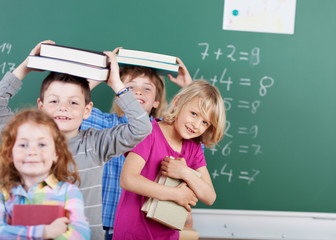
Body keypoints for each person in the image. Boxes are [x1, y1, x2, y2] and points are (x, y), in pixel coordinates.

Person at [0, 40, 152, 240]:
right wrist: (27, 65)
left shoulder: (96, 144)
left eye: (73, 102)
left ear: (87, 110)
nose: (63, 107)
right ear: (41, 105)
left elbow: (142, 127)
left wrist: (117, 83)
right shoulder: (26, 137)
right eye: (54, 101)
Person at [81, 49, 193, 239]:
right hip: (102, 221)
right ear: (118, 93)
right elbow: (75, 107)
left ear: (157, 101)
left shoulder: (163, 132)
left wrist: (189, 89)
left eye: (147, 88)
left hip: (141, 223)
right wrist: (104, 73)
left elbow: (194, 144)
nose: (138, 91)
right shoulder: (106, 123)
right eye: (130, 87)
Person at [112, 79, 226, 239]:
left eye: (205, 122)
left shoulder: (194, 147)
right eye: (194, 114)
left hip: (168, 234)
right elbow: (128, 179)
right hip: (132, 231)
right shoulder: (149, 132)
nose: (196, 125)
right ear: (178, 102)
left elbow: (209, 197)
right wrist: (175, 194)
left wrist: (185, 172)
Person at [0, 109, 90, 239]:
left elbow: (80, 234)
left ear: (56, 153)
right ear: (10, 154)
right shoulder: (4, 194)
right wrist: (44, 232)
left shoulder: (68, 192)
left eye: (42, 144)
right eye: (23, 145)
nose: (32, 151)